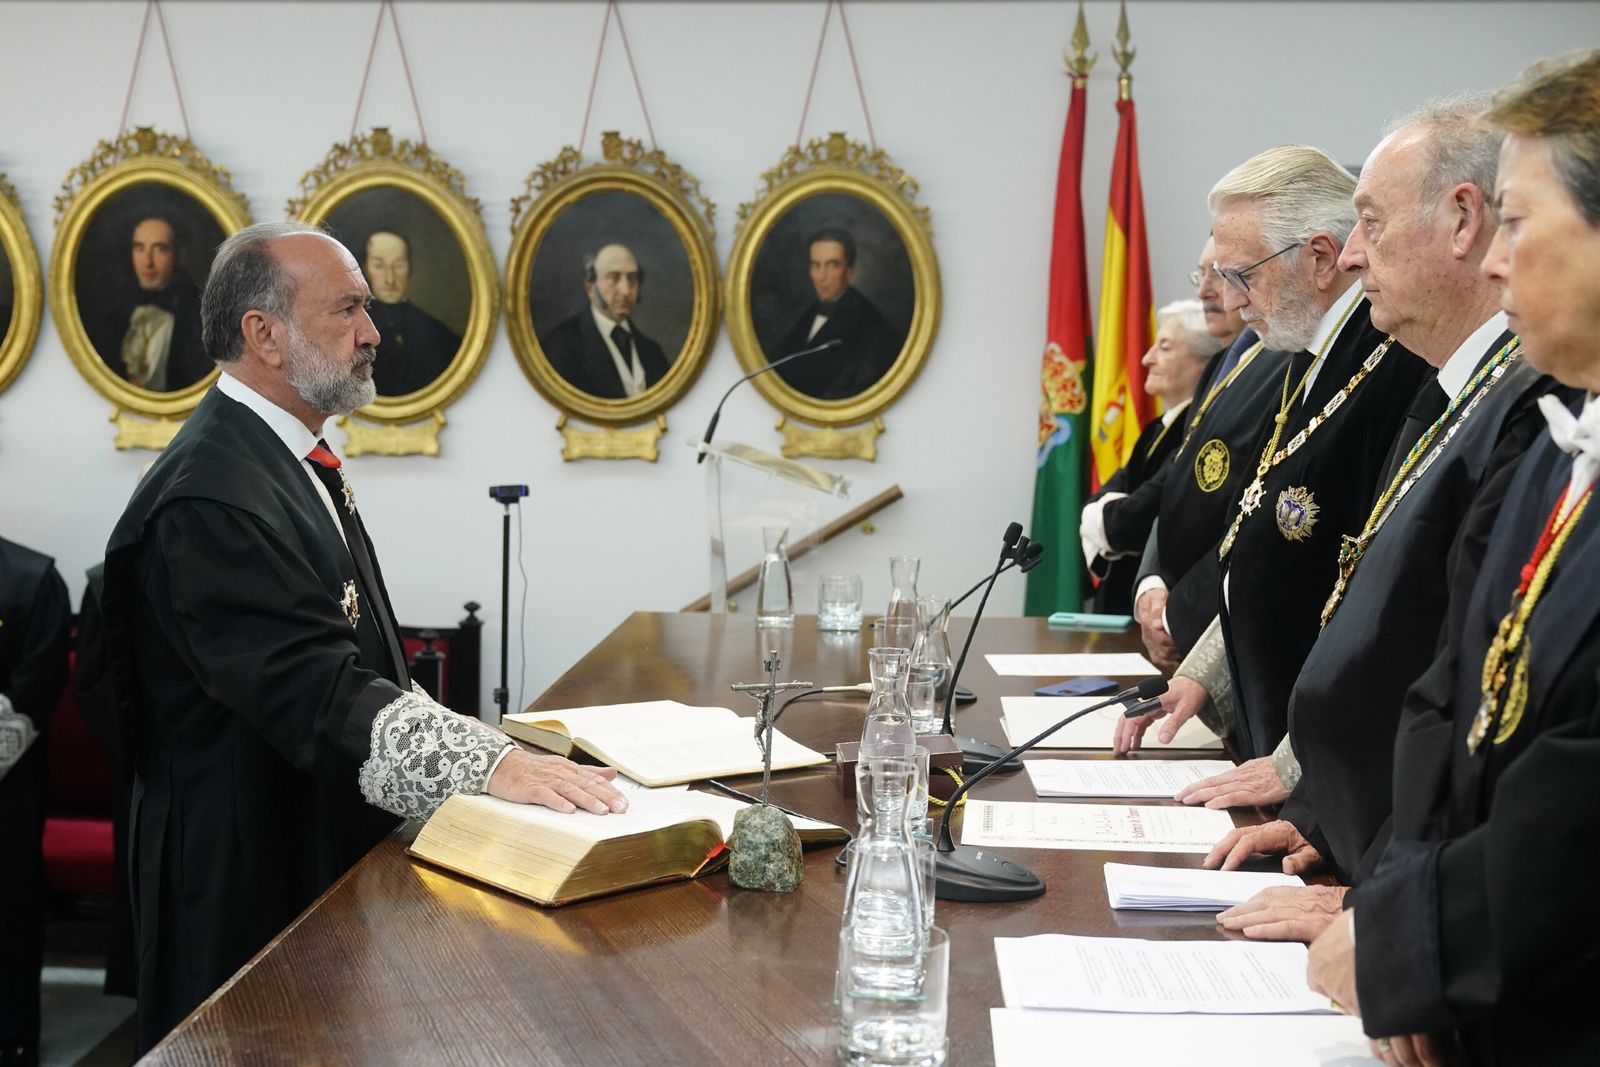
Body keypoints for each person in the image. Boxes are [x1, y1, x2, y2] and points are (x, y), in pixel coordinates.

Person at [99, 220, 628, 1051]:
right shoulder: (212, 496)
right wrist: (491, 767)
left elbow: (364, 657)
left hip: (304, 840)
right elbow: (317, 689)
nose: (373, 332)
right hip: (243, 882)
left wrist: (492, 745)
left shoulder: (286, 457)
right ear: (263, 334)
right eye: (348, 309)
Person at [1188, 97, 1571, 945]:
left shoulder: (1519, 404)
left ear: (1463, 220)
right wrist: (1325, 816)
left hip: (1447, 914)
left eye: (1370, 220)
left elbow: (1487, 700)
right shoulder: (1448, 387)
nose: (1355, 254)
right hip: (1375, 856)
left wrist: (1391, 916)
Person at [1307, 50, 1600, 1066]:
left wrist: (1410, 945)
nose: (1493, 262)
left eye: (1519, 223)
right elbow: (1446, 693)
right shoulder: (1565, 437)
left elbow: (1581, 798)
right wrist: (1395, 914)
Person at [1115, 145, 1430, 761]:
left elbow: (1369, 599)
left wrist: (1297, 772)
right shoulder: (1304, 352)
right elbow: (1258, 541)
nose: (1230, 302)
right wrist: (1202, 675)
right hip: (1267, 723)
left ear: (1317, 258)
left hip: (1329, 754)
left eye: (1242, 275)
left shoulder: (1397, 362)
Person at [1126, 237, 1282, 674]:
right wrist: (1152, 586)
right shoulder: (1220, 365)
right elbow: (1181, 486)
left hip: (1227, 639)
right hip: (1179, 626)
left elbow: (1248, 508)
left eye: (1225, 272)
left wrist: (1181, 613)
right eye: (1204, 274)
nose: (1206, 291)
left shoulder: (1286, 364)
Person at [1079, 298, 1224, 613]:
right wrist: (1103, 517)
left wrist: (1105, 520)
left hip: (1159, 605)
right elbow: (1099, 504)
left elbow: (1126, 523)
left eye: (1165, 348)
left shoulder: (1197, 433)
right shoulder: (1157, 428)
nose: (1147, 359)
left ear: (1207, 362)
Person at [0, 537, 69, 1067]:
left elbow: (40, 681)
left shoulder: (32, 577)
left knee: (10, 909)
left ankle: (12, 1038)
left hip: (9, 783)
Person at [773, 226, 904, 399]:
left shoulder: (873, 327)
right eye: (815, 265)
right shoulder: (808, 315)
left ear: (849, 271)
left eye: (832, 265)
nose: (821, 276)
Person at [541, 243, 671, 399]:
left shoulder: (652, 352)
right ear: (590, 287)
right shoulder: (561, 346)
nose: (626, 290)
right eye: (613, 278)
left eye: (632, 278)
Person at [97, 213, 209, 392]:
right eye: (140, 248)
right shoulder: (115, 315)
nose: (148, 262)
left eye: (160, 249)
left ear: (179, 254)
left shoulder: (200, 316)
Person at [359, 229, 462, 396]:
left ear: (410, 268)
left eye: (399, 266)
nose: (390, 279)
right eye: (379, 265)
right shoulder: (348, 331)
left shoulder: (440, 336)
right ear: (365, 269)